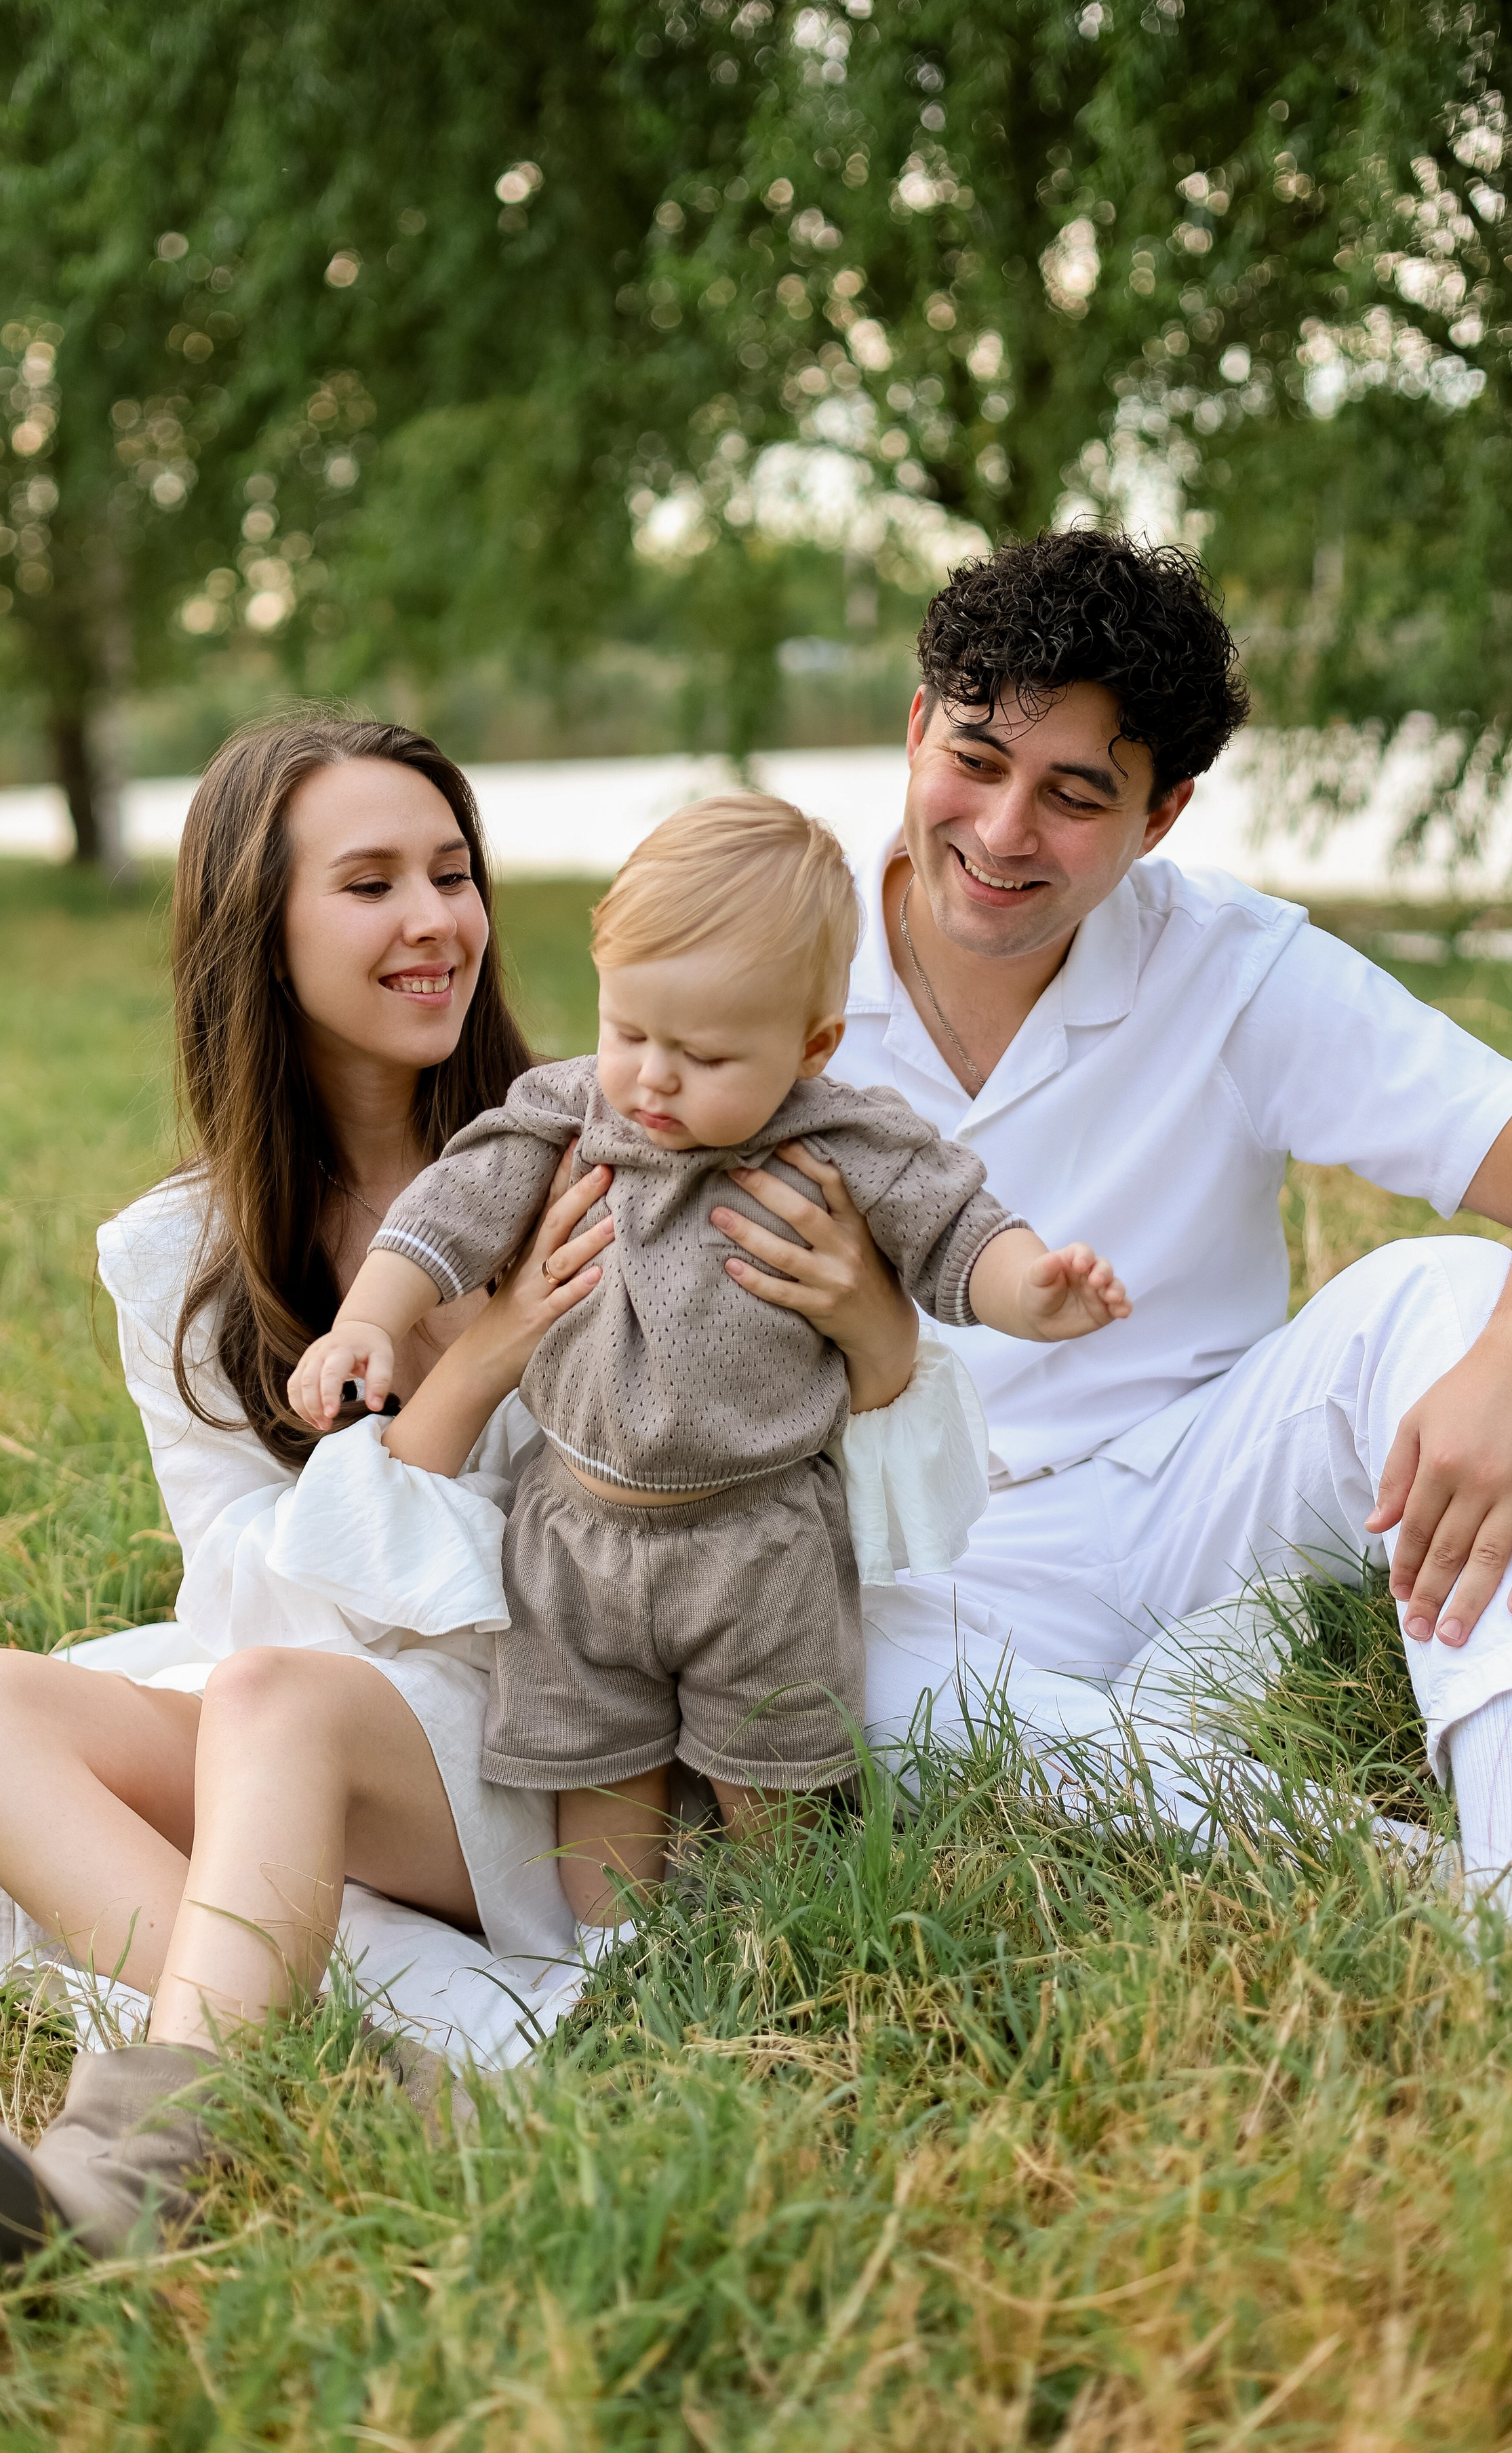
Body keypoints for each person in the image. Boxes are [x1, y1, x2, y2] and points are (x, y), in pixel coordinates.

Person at [0, 710, 940, 2266]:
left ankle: (138, 2159)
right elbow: (233, 1589)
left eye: (452, 870)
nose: (436, 921)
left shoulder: (619, 1151)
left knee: (281, 1700)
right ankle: (348, 2072)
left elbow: (788, 1469)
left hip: (572, 1738)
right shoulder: (173, 1254)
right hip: (329, 1711)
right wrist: (474, 1368)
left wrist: (870, 1323)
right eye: (368, 884)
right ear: (260, 933)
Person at [833, 529, 1512, 1900]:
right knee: (819, 1651)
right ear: (918, 725)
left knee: (1453, 1301)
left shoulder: (1228, 964)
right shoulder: (778, 951)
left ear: (1157, 817)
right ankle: (1419, 1892)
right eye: (974, 760)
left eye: (1072, 796)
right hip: (916, 1556)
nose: (999, 833)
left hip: (1207, 1492)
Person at [290, 793, 1129, 1924]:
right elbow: (450, 1213)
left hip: (761, 1537)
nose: (652, 1079)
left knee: (775, 1770)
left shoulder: (841, 1136)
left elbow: (955, 1228)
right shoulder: (568, 1111)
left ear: (812, 1046)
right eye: (630, 1031)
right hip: (576, 1537)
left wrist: (1033, 1290)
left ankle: (794, 1945)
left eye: (705, 1054)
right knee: (597, 1778)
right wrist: (373, 1323)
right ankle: (611, 1962)